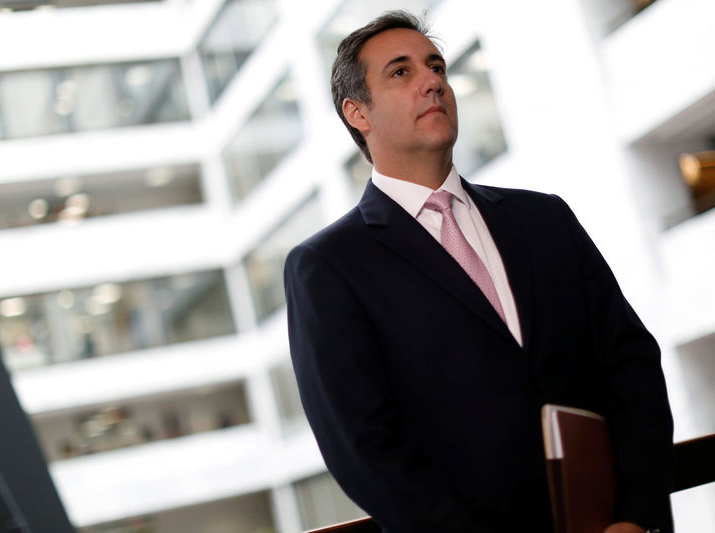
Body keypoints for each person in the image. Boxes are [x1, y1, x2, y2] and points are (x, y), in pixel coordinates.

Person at [283, 10, 674, 533]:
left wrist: (635, 516)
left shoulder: (545, 219)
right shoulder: (327, 267)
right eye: (401, 72)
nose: (433, 82)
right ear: (358, 113)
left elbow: (632, 367)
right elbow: (365, 448)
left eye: (437, 66)